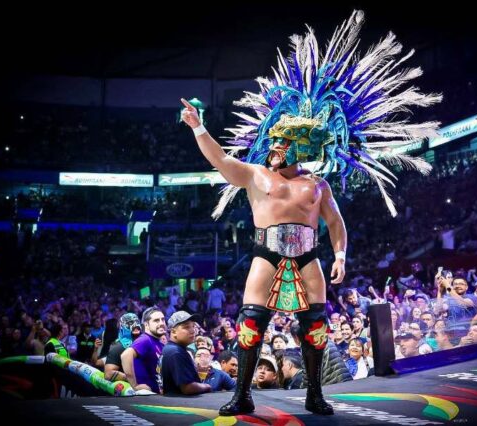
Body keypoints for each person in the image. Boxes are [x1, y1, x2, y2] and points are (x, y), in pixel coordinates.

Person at [180, 10, 439, 417]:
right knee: (251, 322)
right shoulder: (254, 174)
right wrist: (198, 127)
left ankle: (315, 394)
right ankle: (242, 394)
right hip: (266, 252)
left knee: (314, 324)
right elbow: (220, 160)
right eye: (273, 142)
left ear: (298, 148)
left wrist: (340, 255)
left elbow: (335, 223)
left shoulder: (317, 185)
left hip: (308, 254)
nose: (273, 148)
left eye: (281, 143)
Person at [160, 311, 212, 395]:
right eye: (186, 327)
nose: (193, 331)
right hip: (179, 402)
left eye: (193, 326)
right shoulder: (176, 352)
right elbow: (187, 388)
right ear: (174, 332)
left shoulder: (172, 349)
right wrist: (207, 386)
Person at [121, 307, 166, 393]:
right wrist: (135, 385)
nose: (161, 323)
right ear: (146, 325)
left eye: (163, 319)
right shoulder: (145, 339)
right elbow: (125, 355)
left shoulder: (158, 343)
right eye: (156, 320)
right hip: (148, 396)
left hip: (157, 395)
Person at [104, 313, 142, 383]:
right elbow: (108, 374)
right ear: (123, 326)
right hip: (132, 387)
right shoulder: (118, 347)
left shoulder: (145, 341)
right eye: (130, 323)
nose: (135, 325)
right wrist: (135, 380)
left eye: (137, 322)